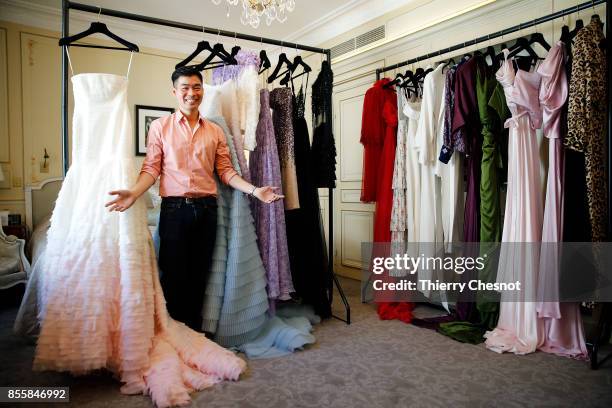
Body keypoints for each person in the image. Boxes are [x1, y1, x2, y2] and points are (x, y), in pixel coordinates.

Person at [105, 66, 282, 331]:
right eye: (185, 88)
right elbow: (151, 168)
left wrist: (255, 191)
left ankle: (196, 336)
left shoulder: (215, 131)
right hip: (175, 210)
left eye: (196, 87)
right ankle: (175, 335)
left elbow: (226, 172)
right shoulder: (159, 127)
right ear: (174, 92)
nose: (191, 93)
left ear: (202, 90)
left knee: (201, 275)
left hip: (207, 210)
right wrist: (133, 192)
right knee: (174, 276)